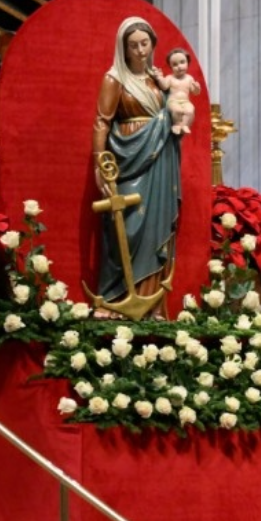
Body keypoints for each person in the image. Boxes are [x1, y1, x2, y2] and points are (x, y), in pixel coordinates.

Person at [92, 17, 182, 309]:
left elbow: (176, 113)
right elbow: (102, 123)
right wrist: (99, 162)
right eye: (134, 46)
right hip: (127, 158)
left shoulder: (158, 81)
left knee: (156, 228)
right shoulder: (115, 78)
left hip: (160, 161)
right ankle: (116, 299)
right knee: (127, 228)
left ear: (153, 45)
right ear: (124, 48)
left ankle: (150, 307)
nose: (140, 51)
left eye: (145, 44)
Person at [151, 48, 201, 135]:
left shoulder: (189, 78)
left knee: (190, 110)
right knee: (177, 110)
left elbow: (195, 92)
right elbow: (164, 86)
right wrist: (159, 78)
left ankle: (184, 125)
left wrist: (197, 88)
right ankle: (177, 124)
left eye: (182, 62)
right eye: (175, 64)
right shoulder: (170, 78)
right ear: (170, 67)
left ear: (187, 63)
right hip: (173, 101)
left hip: (185, 101)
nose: (179, 66)